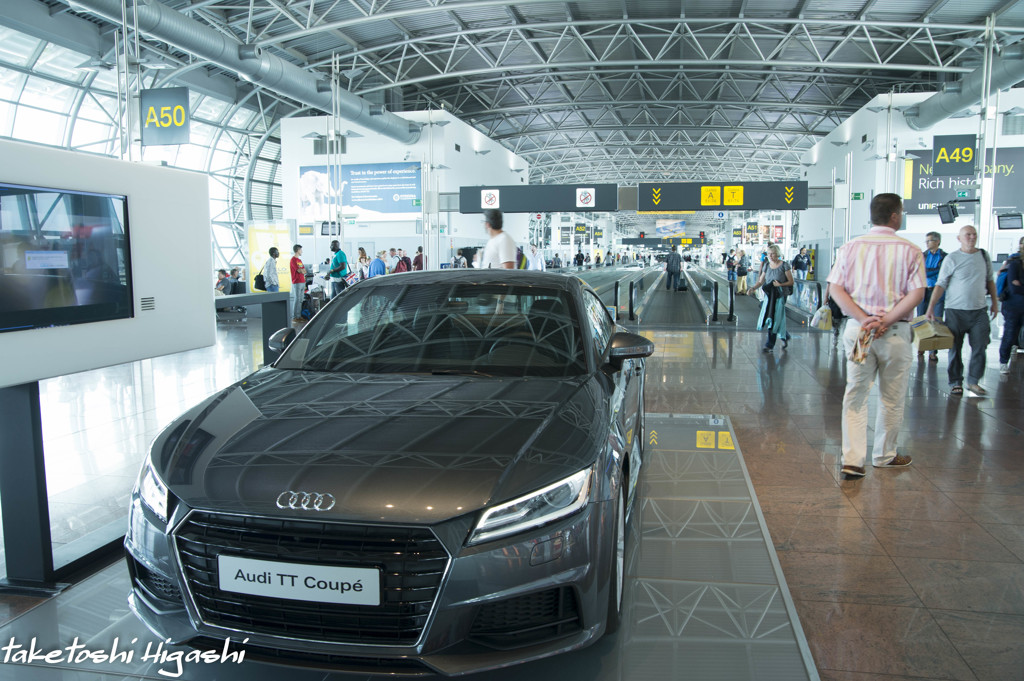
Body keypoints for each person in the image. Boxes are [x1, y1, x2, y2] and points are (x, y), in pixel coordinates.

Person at [827, 193, 925, 480]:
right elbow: (917, 293)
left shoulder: (850, 247)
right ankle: (885, 455)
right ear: (895, 215)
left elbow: (836, 289)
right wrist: (887, 319)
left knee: (855, 395)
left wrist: (864, 319)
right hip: (894, 334)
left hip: (861, 335)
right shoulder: (910, 250)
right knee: (892, 397)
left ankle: (853, 461)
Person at [926, 225, 998, 395]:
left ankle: (973, 381)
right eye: (967, 235)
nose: (971, 237)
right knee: (955, 348)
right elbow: (940, 284)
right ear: (959, 238)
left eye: (974, 234)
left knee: (980, 346)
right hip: (955, 311)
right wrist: (931, 307)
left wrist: (994, 302)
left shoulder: (983, 256)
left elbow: (990, 281)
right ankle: (955, 381)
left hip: (979, 311)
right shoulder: (952, 258)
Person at [754, 244, 794, 352]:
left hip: (780, 296)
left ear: (778, 254)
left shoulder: (784, 265)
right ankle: (785, 335)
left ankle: (769, 345)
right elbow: (761, 281)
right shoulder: (767, 265)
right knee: (774, 317)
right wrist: (753, 288)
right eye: (769, 254)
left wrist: (780, 285)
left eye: (773, 254)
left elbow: (791, 281)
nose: (771, 256)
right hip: (769, 296)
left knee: (773, 318)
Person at [917, 231, 947, 362]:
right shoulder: (922, 256)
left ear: (937, 241)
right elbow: (919, 271)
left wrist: (927, 271)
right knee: (921, 320)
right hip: (924, 291)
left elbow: (942, 273)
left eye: (929, 241)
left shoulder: (945, 257)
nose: (927, 243)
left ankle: (932, 351)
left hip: (938, 291)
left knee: (936, 320)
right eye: (926, 241)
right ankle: (921, 346)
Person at [999, 236, 1024, 373]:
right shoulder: (1015, 264)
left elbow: (1018, 286)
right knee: (1010, 334)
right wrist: (1017, 286)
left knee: (1013, 334)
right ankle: (1003, 361)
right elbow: (1014, 288)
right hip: (1012, 306)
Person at [289, 244, 306, 322]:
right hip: (297, 281)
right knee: (297, 298)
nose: (302, 251)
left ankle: (298, 316)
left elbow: (304, 271)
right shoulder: (293, 260)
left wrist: (302, 270)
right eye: (301, 250)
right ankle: (294, 317)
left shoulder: (300, 260)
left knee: (301, 299)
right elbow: (299, 270)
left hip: (302, 281)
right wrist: (301, 270)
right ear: (297, 250)